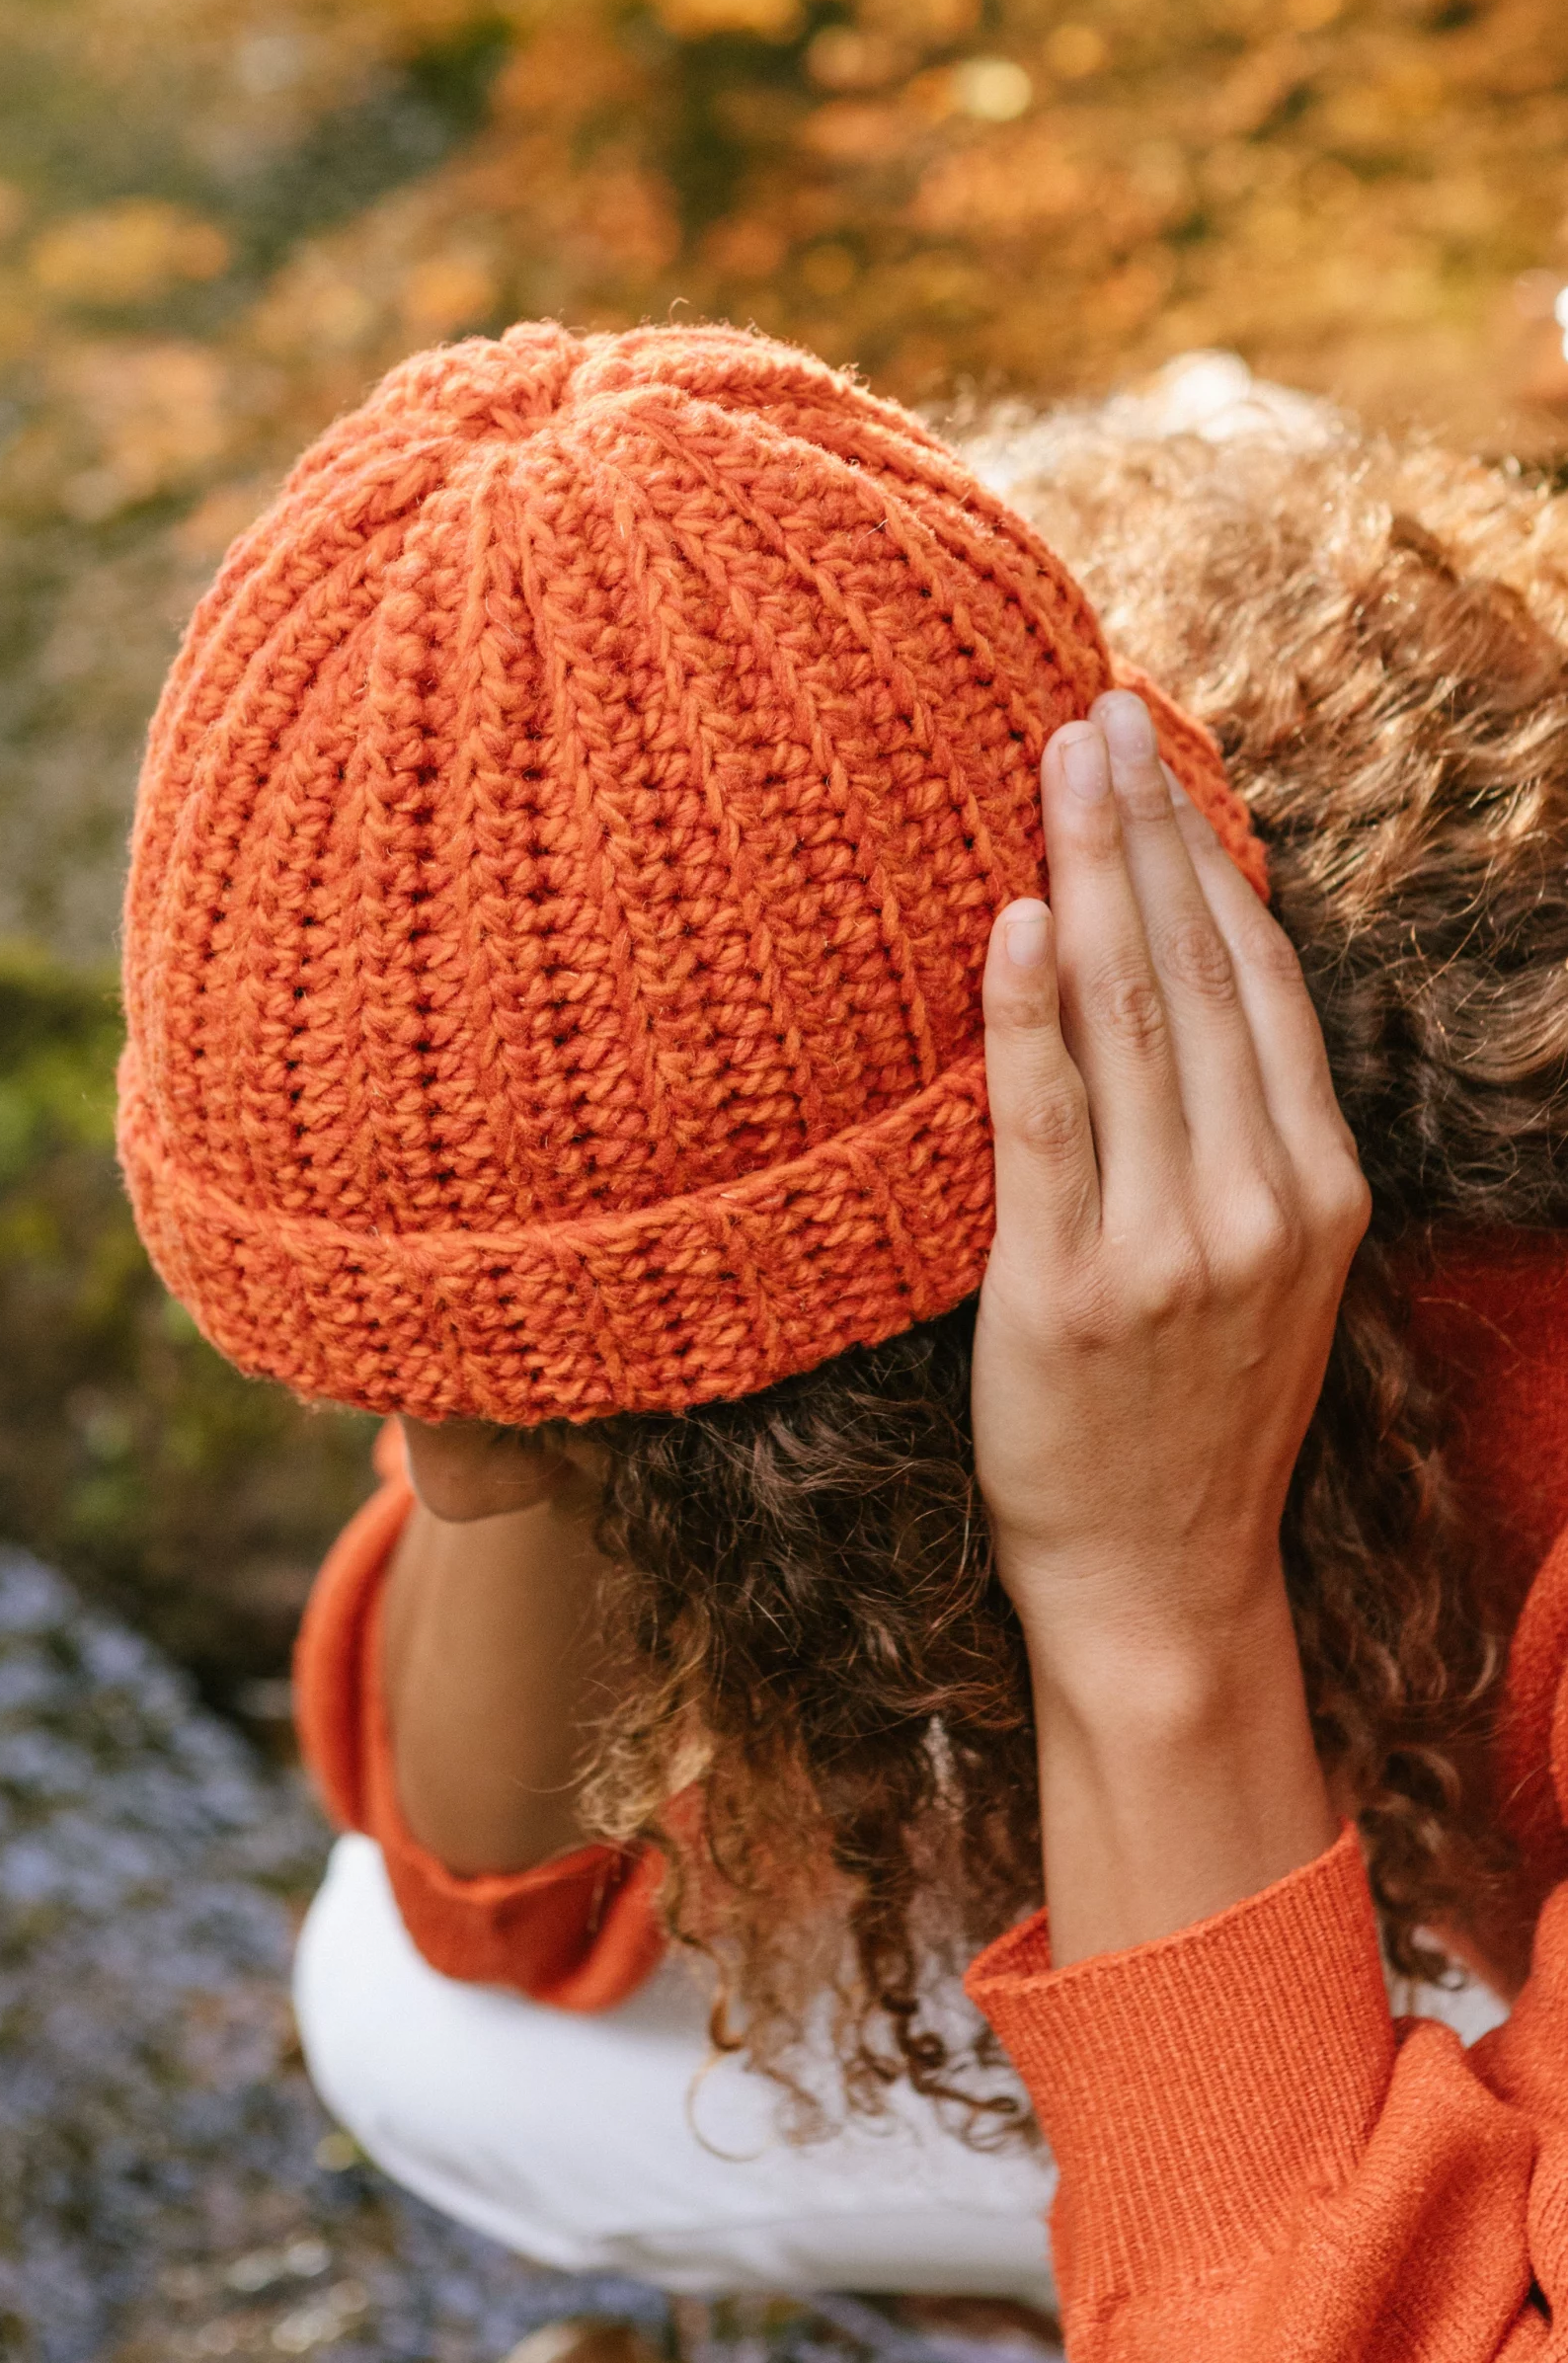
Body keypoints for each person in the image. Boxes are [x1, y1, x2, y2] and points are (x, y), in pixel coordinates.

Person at [118, 320, 1568, 2357]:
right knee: (409, 2006)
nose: (436, 1462)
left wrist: (1153, 1611)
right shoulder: (868, 809)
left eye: (581, 1408)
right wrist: (523, 1380)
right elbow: (482, 1877)